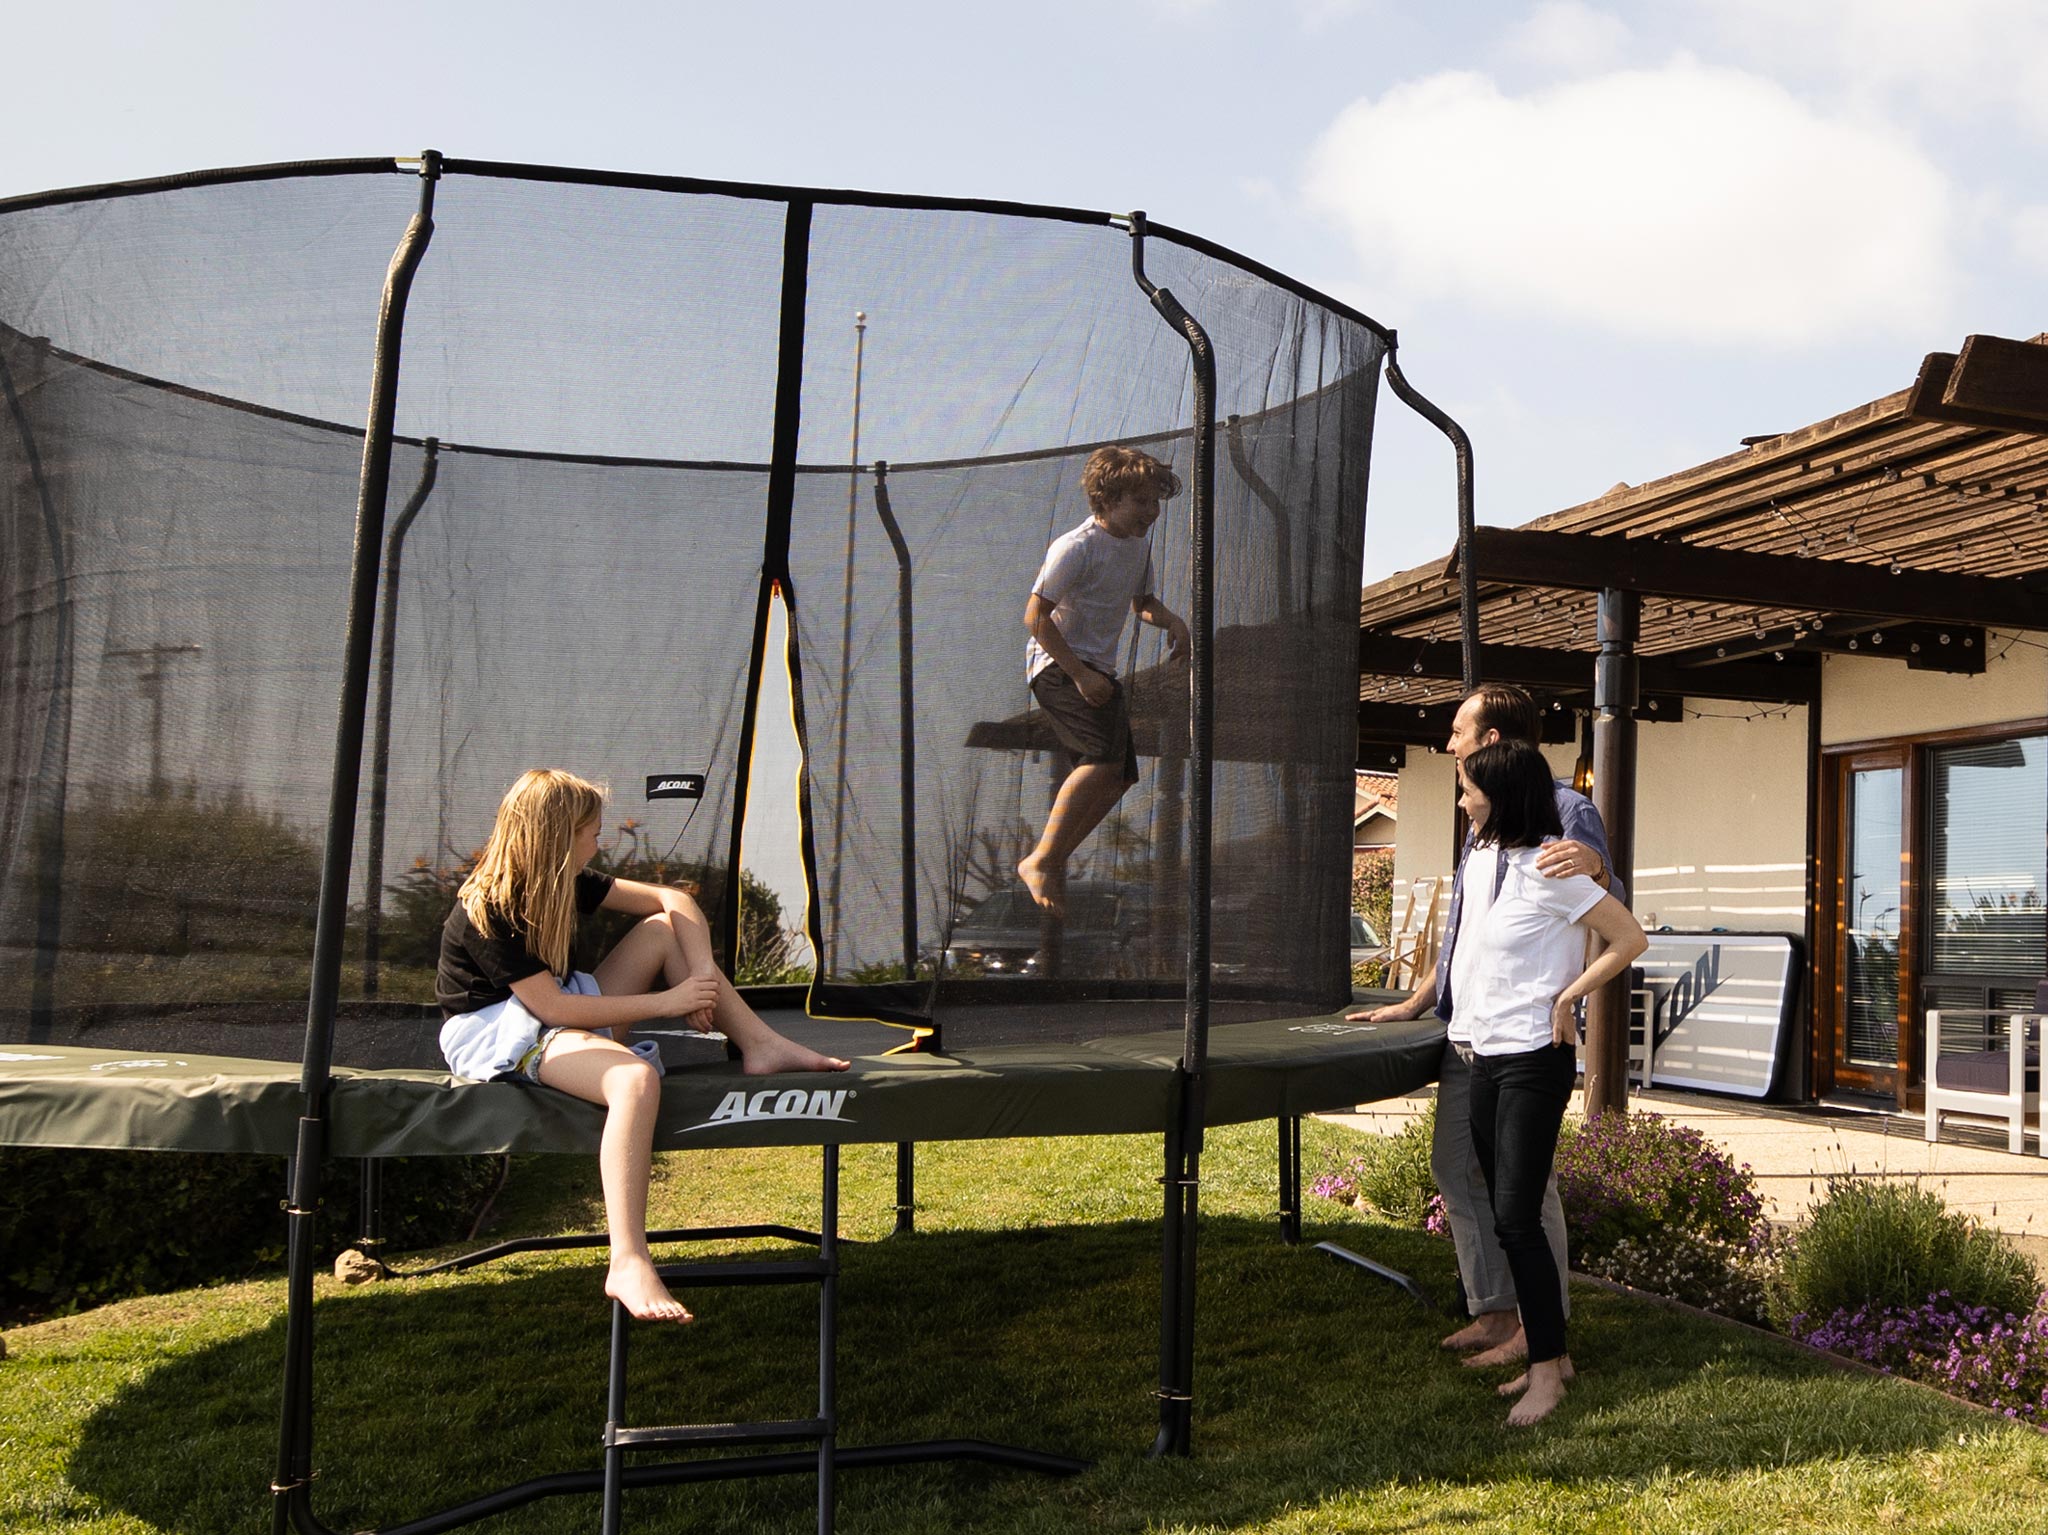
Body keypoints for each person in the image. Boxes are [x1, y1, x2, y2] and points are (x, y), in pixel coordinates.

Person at [436, 769, 849, 1323]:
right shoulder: (489, 907)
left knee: (661, 927)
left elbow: (673, 900)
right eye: (592, 832)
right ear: (559, 836)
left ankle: (759, 1042)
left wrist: (700, 977)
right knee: (632, 1078)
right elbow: (551, 1012)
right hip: (500, 1031)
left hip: (560, 1006)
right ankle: (627, 1259)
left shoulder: (563, 879)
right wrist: (669, 1001)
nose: (598, 843)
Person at [1350, 683, 1624, 1367]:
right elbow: (1470, 933)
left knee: (1527, 1188)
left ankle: (1542, 1327)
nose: (1448, 744)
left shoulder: (1564, 807)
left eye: (1457, 730)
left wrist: (1596, 862)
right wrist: (1417, 1002)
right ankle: (1497, 1310)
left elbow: (1603, 899)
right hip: (1468, 1026)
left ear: (1492, 739)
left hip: (1526, 1035)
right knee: (1457, 1165)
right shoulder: (1479, 817)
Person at [1446, 739, 1646, 1424]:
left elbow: (1628, 938)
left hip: (1536, 1056)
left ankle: (1546, 1378)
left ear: (1500, 795)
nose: (1462, 796)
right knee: (1509, 1219)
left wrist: (1569, 999)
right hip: (1487, 1055)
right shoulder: (1486, 862)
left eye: (1469, 786)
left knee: (1515, 1217)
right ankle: (1554, 1356)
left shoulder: (1549, 869)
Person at [1016, 445, 1190, 914]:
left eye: (1155, 502)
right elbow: (1035, 617)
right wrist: (1077, 675)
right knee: (1098, 762)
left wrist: (1172, 620)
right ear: (1108, 499)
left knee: (1119, 777)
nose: (1151, 512)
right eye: (1141, 502)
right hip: (1058, 664)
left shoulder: (1136, 549)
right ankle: (1041, 859)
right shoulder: (1077, 547)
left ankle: (1049, 858)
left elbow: (1143, 602)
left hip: (1098, 671)